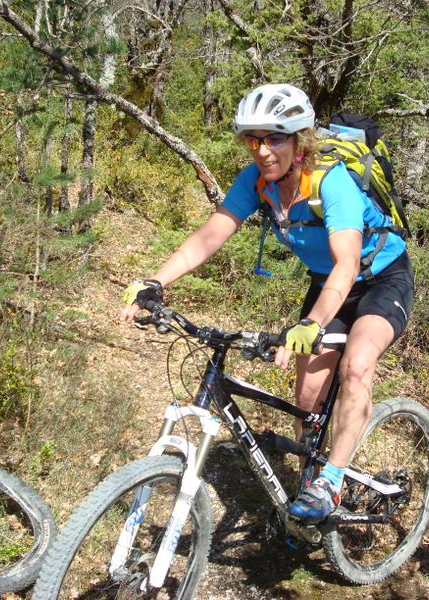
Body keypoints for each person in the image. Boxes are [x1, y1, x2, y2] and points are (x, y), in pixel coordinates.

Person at [120, 83, 413, 523]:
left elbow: (348, 263)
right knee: (307, 398)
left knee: (356, 366)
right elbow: (209, 236)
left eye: (274, 138)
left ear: (300, 141)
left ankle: (332, 482)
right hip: (325, 283)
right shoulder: (255, 183)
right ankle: (306, 490)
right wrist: (154, 280)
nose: (262, 150)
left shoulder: (331, 183)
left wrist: (313, 323)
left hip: (379, 280)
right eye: (253, 139)